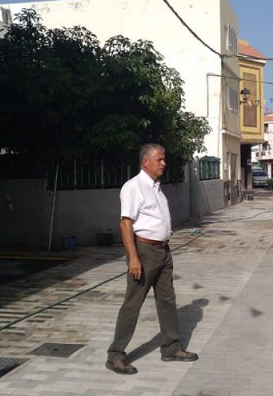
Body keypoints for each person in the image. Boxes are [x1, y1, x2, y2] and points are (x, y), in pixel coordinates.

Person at [106, 143, 198, 375]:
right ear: (145, 162)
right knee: (133, 303)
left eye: (164, 159)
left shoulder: (156, 187)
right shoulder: (133, 187)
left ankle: (171, 347)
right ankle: (115, 356)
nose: (164, 163)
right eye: (159, 159)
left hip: (163, 251)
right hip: (144, 252)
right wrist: (133, 258)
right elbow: (125, 223)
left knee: (167, 299)